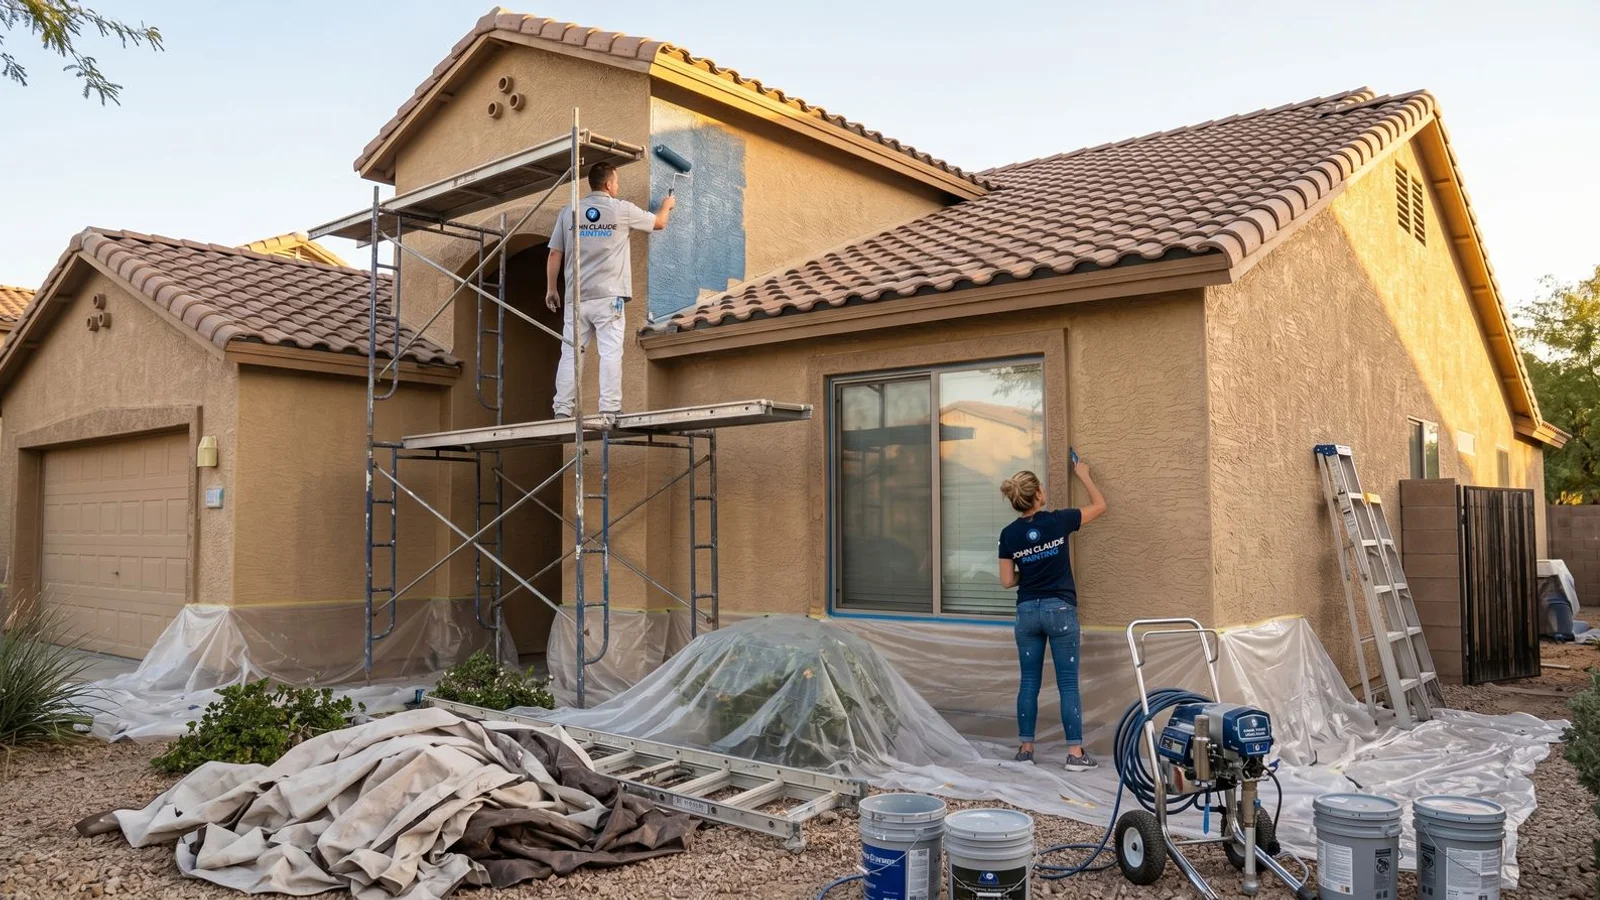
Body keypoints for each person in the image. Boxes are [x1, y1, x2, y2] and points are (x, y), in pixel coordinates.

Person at [545, 161, 675, 424]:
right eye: (616, 182)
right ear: (608, 184)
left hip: (576, 298)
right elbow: (659, 223)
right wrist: (667, 205)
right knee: (610, 351)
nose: (618, 186)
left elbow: (554, 254)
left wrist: (551, 289)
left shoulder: (568, 211)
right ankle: (609, 408)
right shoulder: (622, 209)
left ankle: (562, 410)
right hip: (609, 297)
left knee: (571, 353)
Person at [997, 459, 1106, 771]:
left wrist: (1030, 571)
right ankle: (1075, 754)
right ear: (1037, 496)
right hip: (1059, 610)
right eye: (1041, 487)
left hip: (1027, 612)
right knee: (1067, 684)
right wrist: (1084, 475)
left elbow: (1007, 581)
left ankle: (1025, 750)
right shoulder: (1059, 521)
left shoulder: (1008, 534)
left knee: (1029, 682)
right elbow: (1100, 506)